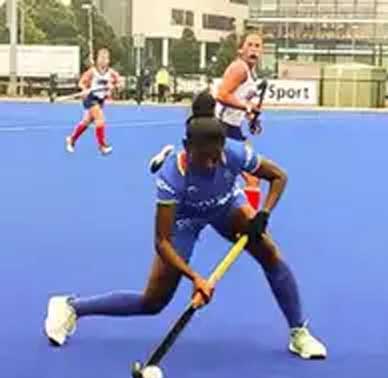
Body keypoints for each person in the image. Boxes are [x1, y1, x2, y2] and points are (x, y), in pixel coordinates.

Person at [44, 94, 327, 360]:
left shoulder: (234, 152)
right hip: (185, 219)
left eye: (216, 157)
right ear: (187, 148)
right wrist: (195, 278)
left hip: (226, 206)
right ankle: (71, 307)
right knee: (153, 302)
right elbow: (162, 242)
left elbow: (278, 177)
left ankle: (298, 332)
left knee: (269, 253)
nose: (211, 165)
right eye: (203, 159)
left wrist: (263, 213)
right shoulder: (172, 178)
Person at [150, 32, 266, 210]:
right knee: (243, 175)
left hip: (232, 128)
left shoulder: (252, 73)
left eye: (257, 46)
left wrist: (251, 119)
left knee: (239, 174)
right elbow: (222, 95)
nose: (254, 49)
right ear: (240, 49)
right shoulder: (239, 69)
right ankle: (249, 220)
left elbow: (240, 101)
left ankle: (171, 157)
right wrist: (247, 108)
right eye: (249, 45)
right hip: (220, 126)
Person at [65, 48, 120, 155]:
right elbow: (81, 82)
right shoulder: (92, 72)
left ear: (108, 60)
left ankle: (72, 139)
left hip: (100, 100)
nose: (103, 61)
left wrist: (114, 86)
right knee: (100, 119)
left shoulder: (111, 73)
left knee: (86, 121)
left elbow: (120, 83)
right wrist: (85, 89)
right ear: (97, 60)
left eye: (105, 58)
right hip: (90, 98)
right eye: (101, 58)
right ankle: (102, 146)